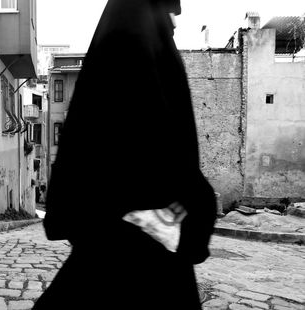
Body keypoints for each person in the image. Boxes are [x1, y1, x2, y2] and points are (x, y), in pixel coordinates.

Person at [33, 0, 217, 309]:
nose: (176, 20)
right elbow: (156, 132)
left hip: (120, 233)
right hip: (138, 238)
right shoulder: (135, 34)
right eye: (172, 13)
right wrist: (188, 204)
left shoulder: (130, 26)